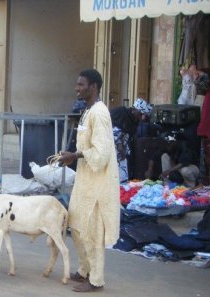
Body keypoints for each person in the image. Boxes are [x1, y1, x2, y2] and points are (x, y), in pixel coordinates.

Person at [59, 69, 120, 292]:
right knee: (76, 224)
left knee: (92, 230)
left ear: (93, 87)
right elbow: (86, 147)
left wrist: (75, 156)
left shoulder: (100, 113)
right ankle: (84, 269)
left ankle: (95, 280)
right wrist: (70, 156)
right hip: (85, 178)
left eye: (81, 84)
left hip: (99, 182)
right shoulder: (87, 111)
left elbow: (102, 153)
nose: (77, 88)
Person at [110, 98, 152, 182]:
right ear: (134, 110)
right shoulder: (120, 112)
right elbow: (113, 130)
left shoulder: (134, 121)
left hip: (122, 148)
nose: (142, 118)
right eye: (140, 114)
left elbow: (127, 135)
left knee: (123, 172)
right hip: (112, 145)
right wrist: (119, 145)